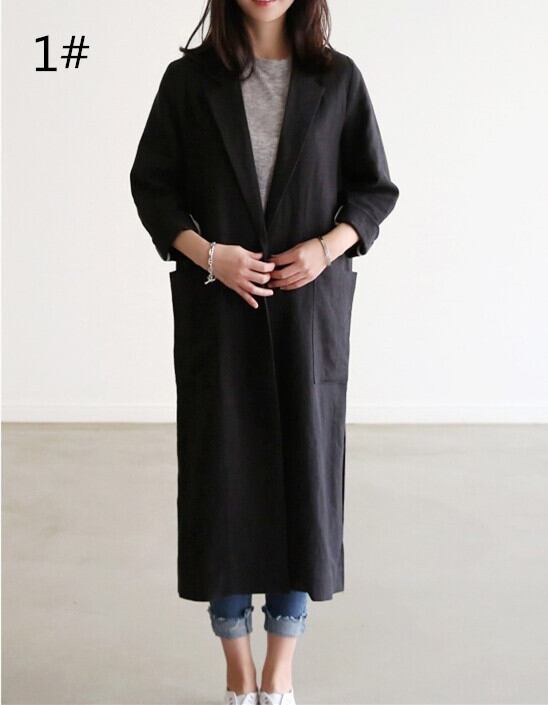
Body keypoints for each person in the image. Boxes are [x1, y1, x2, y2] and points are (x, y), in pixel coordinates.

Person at [129, 1, 399, 703]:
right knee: (222, 481)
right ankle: (236, 669)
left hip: (308, 314)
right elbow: (152, 187)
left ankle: (279, 672)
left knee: (302, 478)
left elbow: (373, 190)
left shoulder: (337, 79)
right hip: (220, 311)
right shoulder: (189, 82)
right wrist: (208, 255)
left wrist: (325, 248)